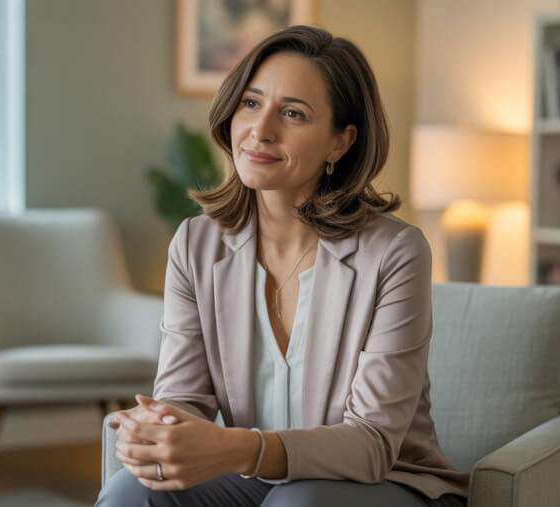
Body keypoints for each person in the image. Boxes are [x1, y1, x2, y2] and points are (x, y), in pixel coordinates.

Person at [96, 25, 469, 507]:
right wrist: (158, 426)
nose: (261, 128)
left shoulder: (395, 253)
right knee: (132, 492)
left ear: (340, 142)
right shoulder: (196, 244)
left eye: (293, 113)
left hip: (385, 484)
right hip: (253, 482)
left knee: (298, 503)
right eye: (251, 103)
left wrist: (236, 449)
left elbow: (372, 443)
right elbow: (182, 398)